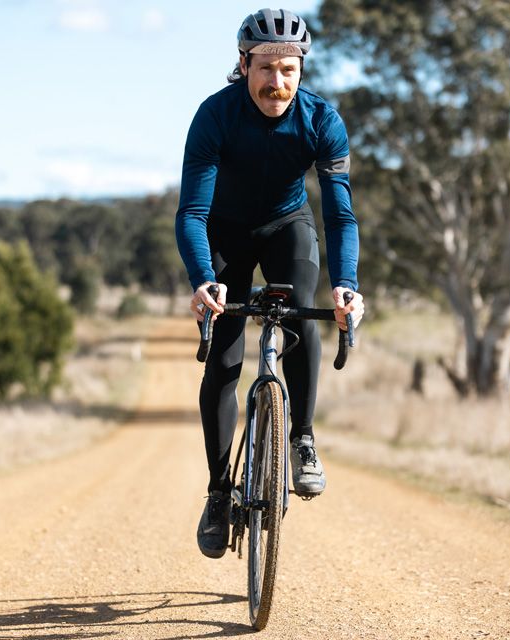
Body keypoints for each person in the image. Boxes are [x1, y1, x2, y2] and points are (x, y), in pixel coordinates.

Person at [175, 8, 364, 559]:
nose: (276, 82)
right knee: (225, 360)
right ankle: (217, 493)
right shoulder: (214, 116)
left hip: (288, 226)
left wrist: (347, 284)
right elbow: (191, 211)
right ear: (243, 64)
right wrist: (204, 280)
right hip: (225, 236)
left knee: (304, 311)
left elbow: (340, 217)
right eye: (265, 68)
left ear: (301, 69)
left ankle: (301, 438)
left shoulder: (322, 121)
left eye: (288, 69)